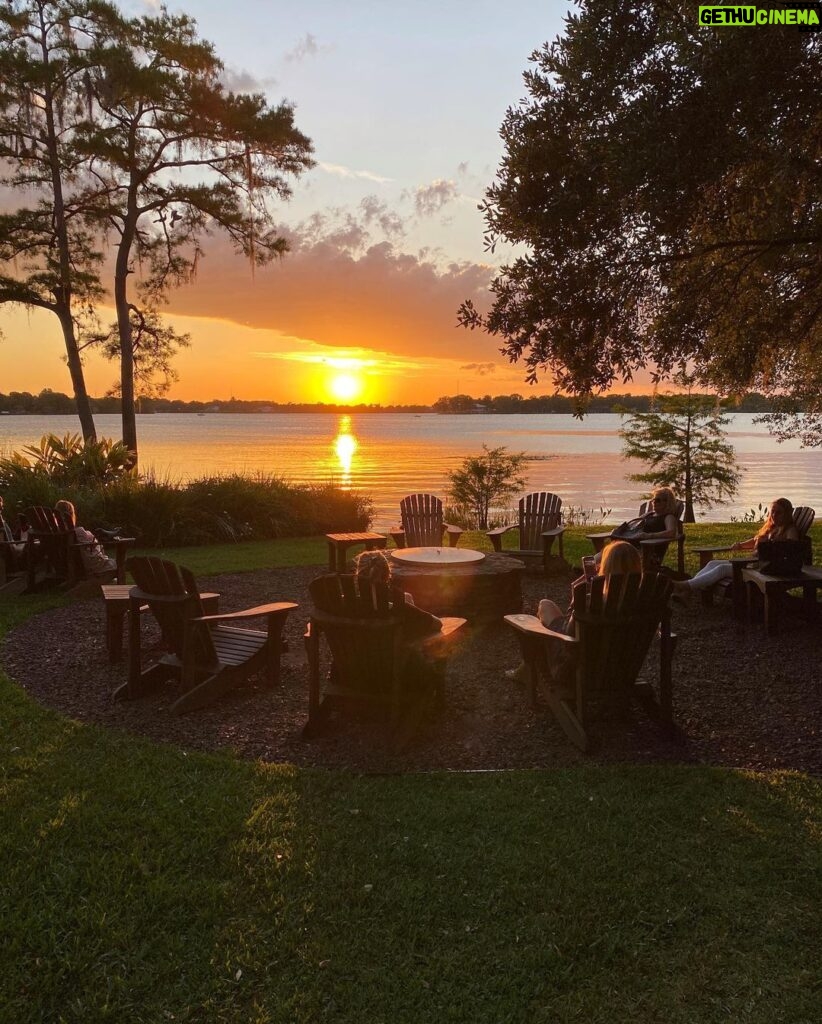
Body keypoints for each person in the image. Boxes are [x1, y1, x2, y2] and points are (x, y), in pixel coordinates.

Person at [506, 540, 642, 681]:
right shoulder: (645, 602)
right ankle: (524, 669)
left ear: (606, 568)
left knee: (537, 617)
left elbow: (569, 636)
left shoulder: (591, 603)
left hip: (576, 672)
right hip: (621, 670)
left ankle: (527, 671)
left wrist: (576, 597)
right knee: (546, 605)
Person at [672, 497, 799, 599]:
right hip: (752, 564)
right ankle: (688, 590)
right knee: (712, 563)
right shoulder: (772, 528)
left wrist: (773, 542)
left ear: (787, 514)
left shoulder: (789, 529)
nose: (774, 515)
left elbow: (792, 544)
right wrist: (741, 545)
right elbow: (755, 540)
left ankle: (685, 586)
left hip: (761, 568)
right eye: (773, 512)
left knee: (721, 569)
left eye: (779, 512)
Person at [54, 499, 116, 576]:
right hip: (88, 567)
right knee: (122, 563)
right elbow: (93, 546)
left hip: (63, 567)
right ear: (71, 514)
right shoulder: (77, 533)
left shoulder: (55, 533)